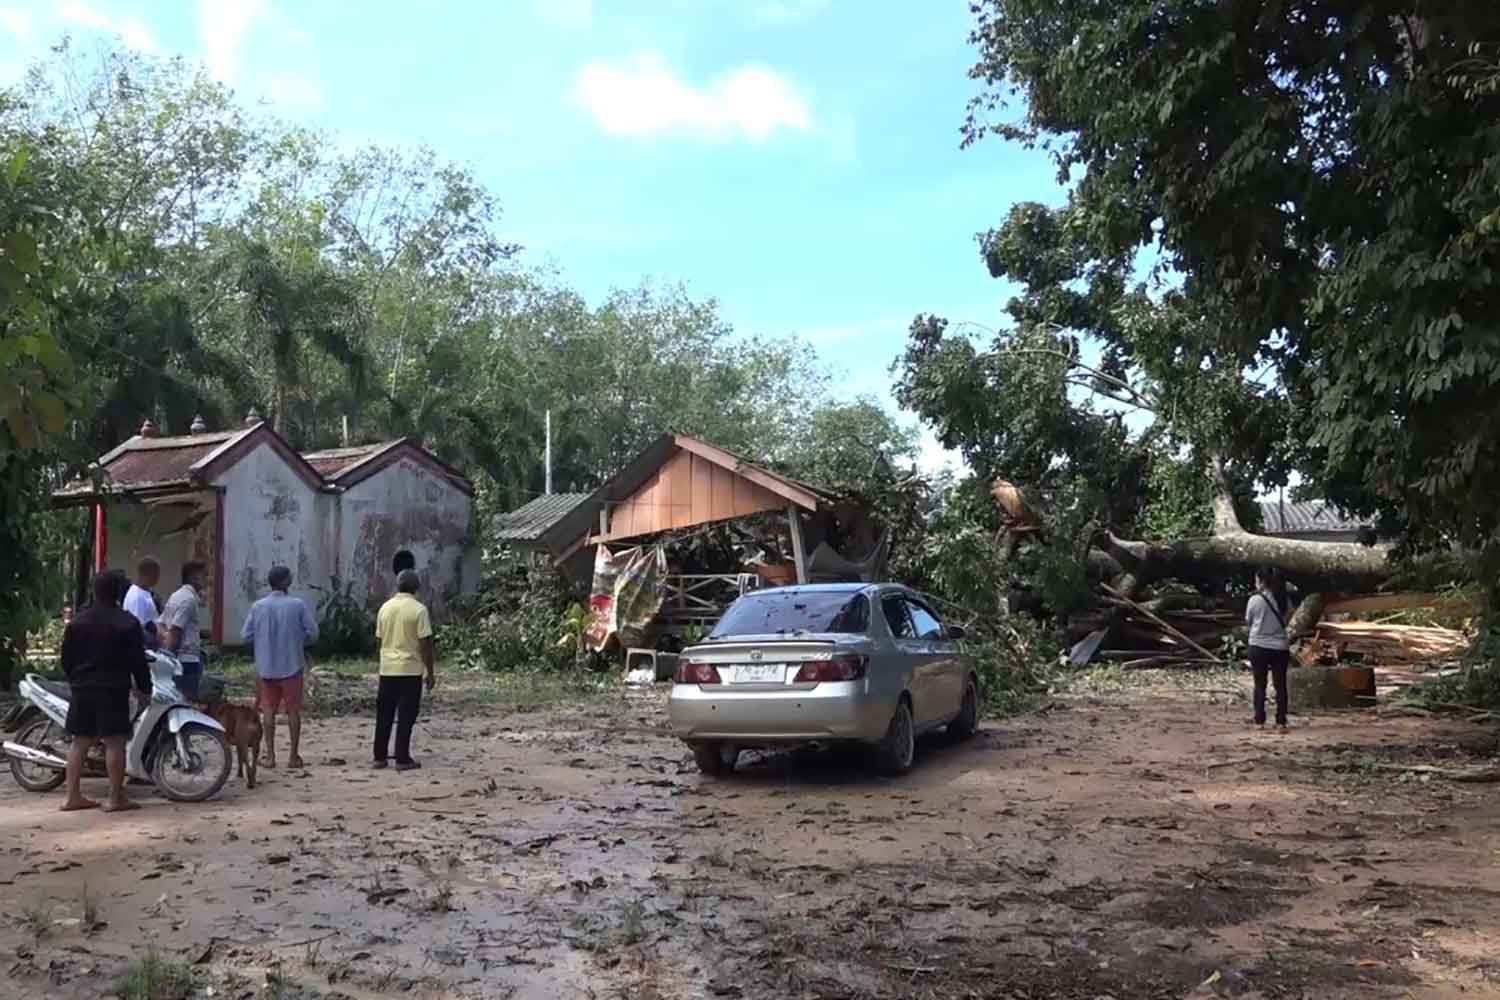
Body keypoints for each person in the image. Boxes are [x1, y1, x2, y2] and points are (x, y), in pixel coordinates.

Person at [59, 571, 151, 812]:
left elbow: (66, 659)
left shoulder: (78, 622)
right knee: (114, 742)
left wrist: (76, 679)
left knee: (79, 742)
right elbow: (138, 662)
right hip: (113, 689)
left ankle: (72, 797)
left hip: (82, 688)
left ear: (94, 591)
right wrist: (145, 688)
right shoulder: (128, 623)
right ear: (118, 593)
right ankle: (115, 798)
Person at [240, 565, 319, 770]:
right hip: (292, 665)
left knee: (268, 710)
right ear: (286, 582)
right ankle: (293, 756)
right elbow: (313, 633)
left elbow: (245, 635)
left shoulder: (258, 606)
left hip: (266, 667)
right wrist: (298, 640)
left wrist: (262, 643)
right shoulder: (297, 605)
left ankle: (271, 756)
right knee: (293, 710)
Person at [373, 569, 436, 771]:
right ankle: (402, 758)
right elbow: (425, 643)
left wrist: (384, 658)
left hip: (387, 668)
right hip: (409, 669)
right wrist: (430, 671)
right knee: (406, 716)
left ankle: (379, 756)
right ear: (417, 588)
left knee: (384, 714)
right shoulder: (419, 610)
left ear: (397, 585)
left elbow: (379, 639)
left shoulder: (385, 608)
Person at [1246, 566, 1292, 731]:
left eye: (1257, 580)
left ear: (1263, 582)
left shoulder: (1254, 600)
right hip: (1280, 647)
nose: (1255, 583)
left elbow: (1249, 621)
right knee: (1280, 685)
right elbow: (1286, 621)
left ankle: (1259, 720)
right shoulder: (1285, 600)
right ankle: (1281, 720)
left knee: (1260, 684)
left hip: (1258, 646)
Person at [161, 561, 207, 699]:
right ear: (194, 577)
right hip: (187, 661)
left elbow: (160, 624)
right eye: (204, 575)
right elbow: (176, 630)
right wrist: (170, 656)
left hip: (178, 659)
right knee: (188, 701)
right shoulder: (189, 600)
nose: (206, 579)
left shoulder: (175, 595)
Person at [122, 556, 161, 647]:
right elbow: (138, 627)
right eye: (156, 574)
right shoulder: (137, 597)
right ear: (148, 573)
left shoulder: (145, 593)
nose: (158, 578)